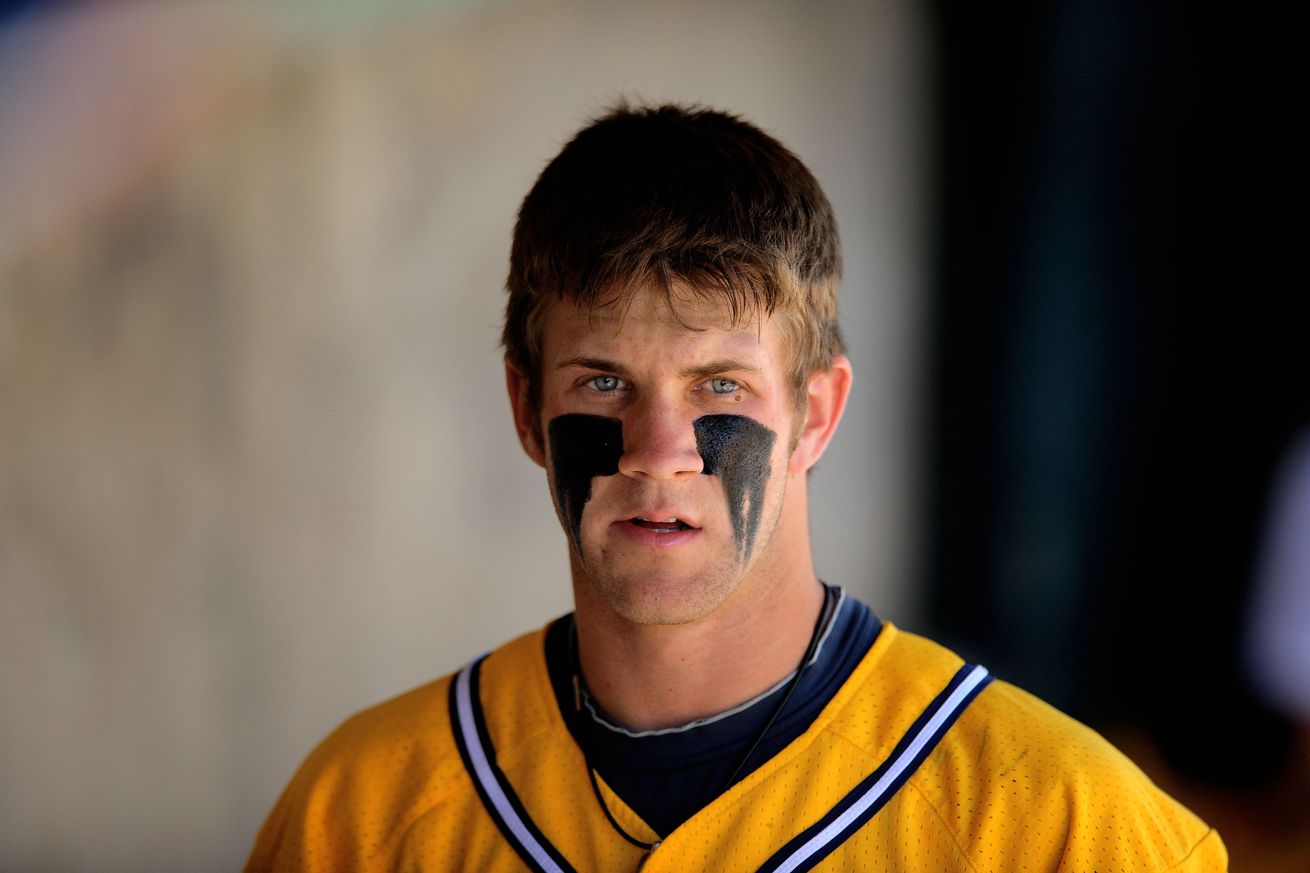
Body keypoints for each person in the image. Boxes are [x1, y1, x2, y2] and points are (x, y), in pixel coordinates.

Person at [245, 103, 1226, 872]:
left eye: (719, 387)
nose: (656, 449)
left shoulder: (1071, 831)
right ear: (523, 407)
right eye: (601, 383)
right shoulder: (358, 817)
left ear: (817, 412)